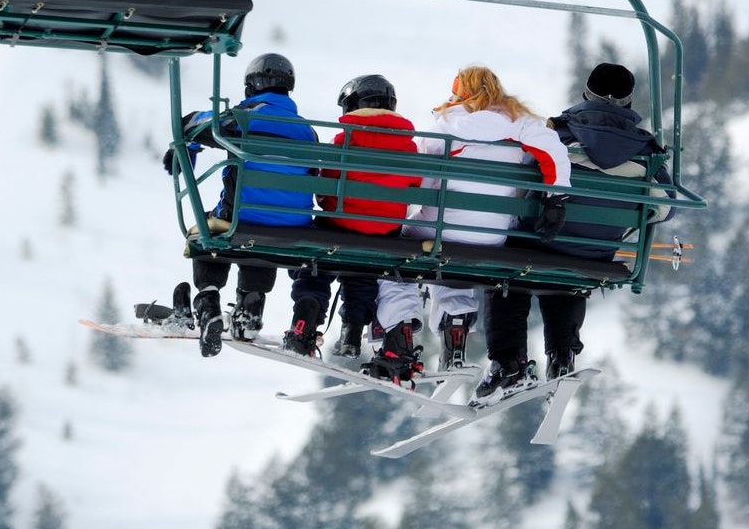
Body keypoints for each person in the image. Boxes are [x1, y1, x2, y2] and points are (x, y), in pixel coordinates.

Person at [474, 62, 677, 401]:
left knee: (507, 273)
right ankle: (562, 356)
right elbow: (666, 208)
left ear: (586, 94)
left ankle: (509, 361)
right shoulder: (647, 154)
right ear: (628, 101)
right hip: (595, 252)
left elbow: (519, 182)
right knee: (568, 278)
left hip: (537, 243)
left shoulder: (557, 137)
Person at [368, 65, 572, 382]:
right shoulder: (521, 124)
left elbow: (421, 185)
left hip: (439, 231)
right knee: (451, 258)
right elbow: (554, 151)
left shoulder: (445, 127)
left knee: (397, 252)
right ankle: (455, 336)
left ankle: (399, 335)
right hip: (492, 236)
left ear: (458, 94)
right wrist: (556, 198)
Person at [160, 52, 318, 358]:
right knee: (263, 230)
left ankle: (208, 300)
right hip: (293, 224)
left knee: (208, 229)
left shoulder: (244, 117)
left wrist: (190, 147)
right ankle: (251, 305)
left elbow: (191, 123)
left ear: (252, 85)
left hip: (242, 218)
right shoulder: (308, 131)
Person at [282, 74, 421, 357]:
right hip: (384, 233)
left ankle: (306, 314)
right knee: (364, 272)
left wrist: (332, 205)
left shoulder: (345, 139)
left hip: (339, 226)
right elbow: (414, 187)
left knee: (315, 263)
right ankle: (352, 332)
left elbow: (325, 190)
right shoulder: (409, 146)